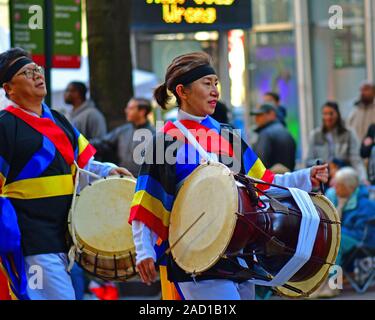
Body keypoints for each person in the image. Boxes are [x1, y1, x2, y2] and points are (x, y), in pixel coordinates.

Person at [128, 51, 329, 301]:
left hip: (240, 253)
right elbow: (145, 204)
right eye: (206, 84)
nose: (215, 91)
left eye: (216, 84)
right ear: (182, 91)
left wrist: (306, 177)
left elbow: (264, 183)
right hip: (195, 255)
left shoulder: (229, 135)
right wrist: (144, 251)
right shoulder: (164, 142)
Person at [0, 48, 131, 300]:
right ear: (9, 88)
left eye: (37, 69)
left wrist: (108, 170)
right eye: (26, 73)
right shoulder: (5, 126)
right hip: (30, 238)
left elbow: (84, 164)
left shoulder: (58, 119)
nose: (37, 75)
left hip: (65, 235)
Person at [313, 167, 375, 298]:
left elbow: (362, 232)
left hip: (361, 239)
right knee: (321, 239)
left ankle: (333, 286)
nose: (335, 189)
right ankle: (316, 284)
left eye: (339, 186)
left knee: (335, 243)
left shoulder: (365, 204)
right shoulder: (335, 197)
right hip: (343, 234)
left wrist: (336, 231)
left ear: (350, 188)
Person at [91, 98, 156, 177]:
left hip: (143, 184)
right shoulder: (123, 131)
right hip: (123, 181)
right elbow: (102, 143)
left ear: (142, 112)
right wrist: (83, 143)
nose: (126, 111)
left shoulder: (154, 135)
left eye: (130, 108)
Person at [306, 101, 367, 184]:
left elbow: (356, 160)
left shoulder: (349, 134)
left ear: (337, 114)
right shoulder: (315, 135)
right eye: (325, 114)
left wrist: (363, 179)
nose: (328, 117)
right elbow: (308, 161)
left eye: (331, 113)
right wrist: (324, 163)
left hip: (344, 176)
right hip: (321, 178)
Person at [251, 103, 296, 172]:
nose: (256, 119)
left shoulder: (265, 133)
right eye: (256, 116)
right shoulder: (286, 132)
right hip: (287, 178)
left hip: (270, 180)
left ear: (272, 114)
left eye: (260, 115)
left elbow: (259, 163)